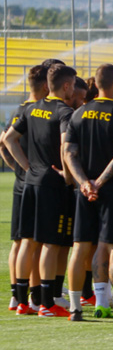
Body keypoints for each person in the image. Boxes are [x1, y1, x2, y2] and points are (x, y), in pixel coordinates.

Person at [63, 64, 113, 323]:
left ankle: (75, 309)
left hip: (84, 193)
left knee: (79, 248)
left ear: (95, 83)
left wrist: (84, 183)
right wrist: (101, 182)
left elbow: (69, 154)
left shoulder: (78, 114)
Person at [5, 63, 77, 317]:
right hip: (51, 184)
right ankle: (47, 303)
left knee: (27, 241)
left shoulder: (32, 108)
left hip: (31, 182)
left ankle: (22, 301)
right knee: (50, 243)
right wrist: (68, 175)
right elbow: (64, 148)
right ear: (67, 85)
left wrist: (26, 167)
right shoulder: (64, 111)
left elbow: (8, 139)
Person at [2, 64, 49, 313]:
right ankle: (32, 295)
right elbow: (5, 142)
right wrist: (28, 167)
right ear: (45, 86)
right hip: (34, 182)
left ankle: (16, 295)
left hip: (22, 183)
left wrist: (17, 169)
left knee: (19, 242)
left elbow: (3, 143)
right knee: (33, 241)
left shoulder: (20, 109)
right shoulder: (37, 111)